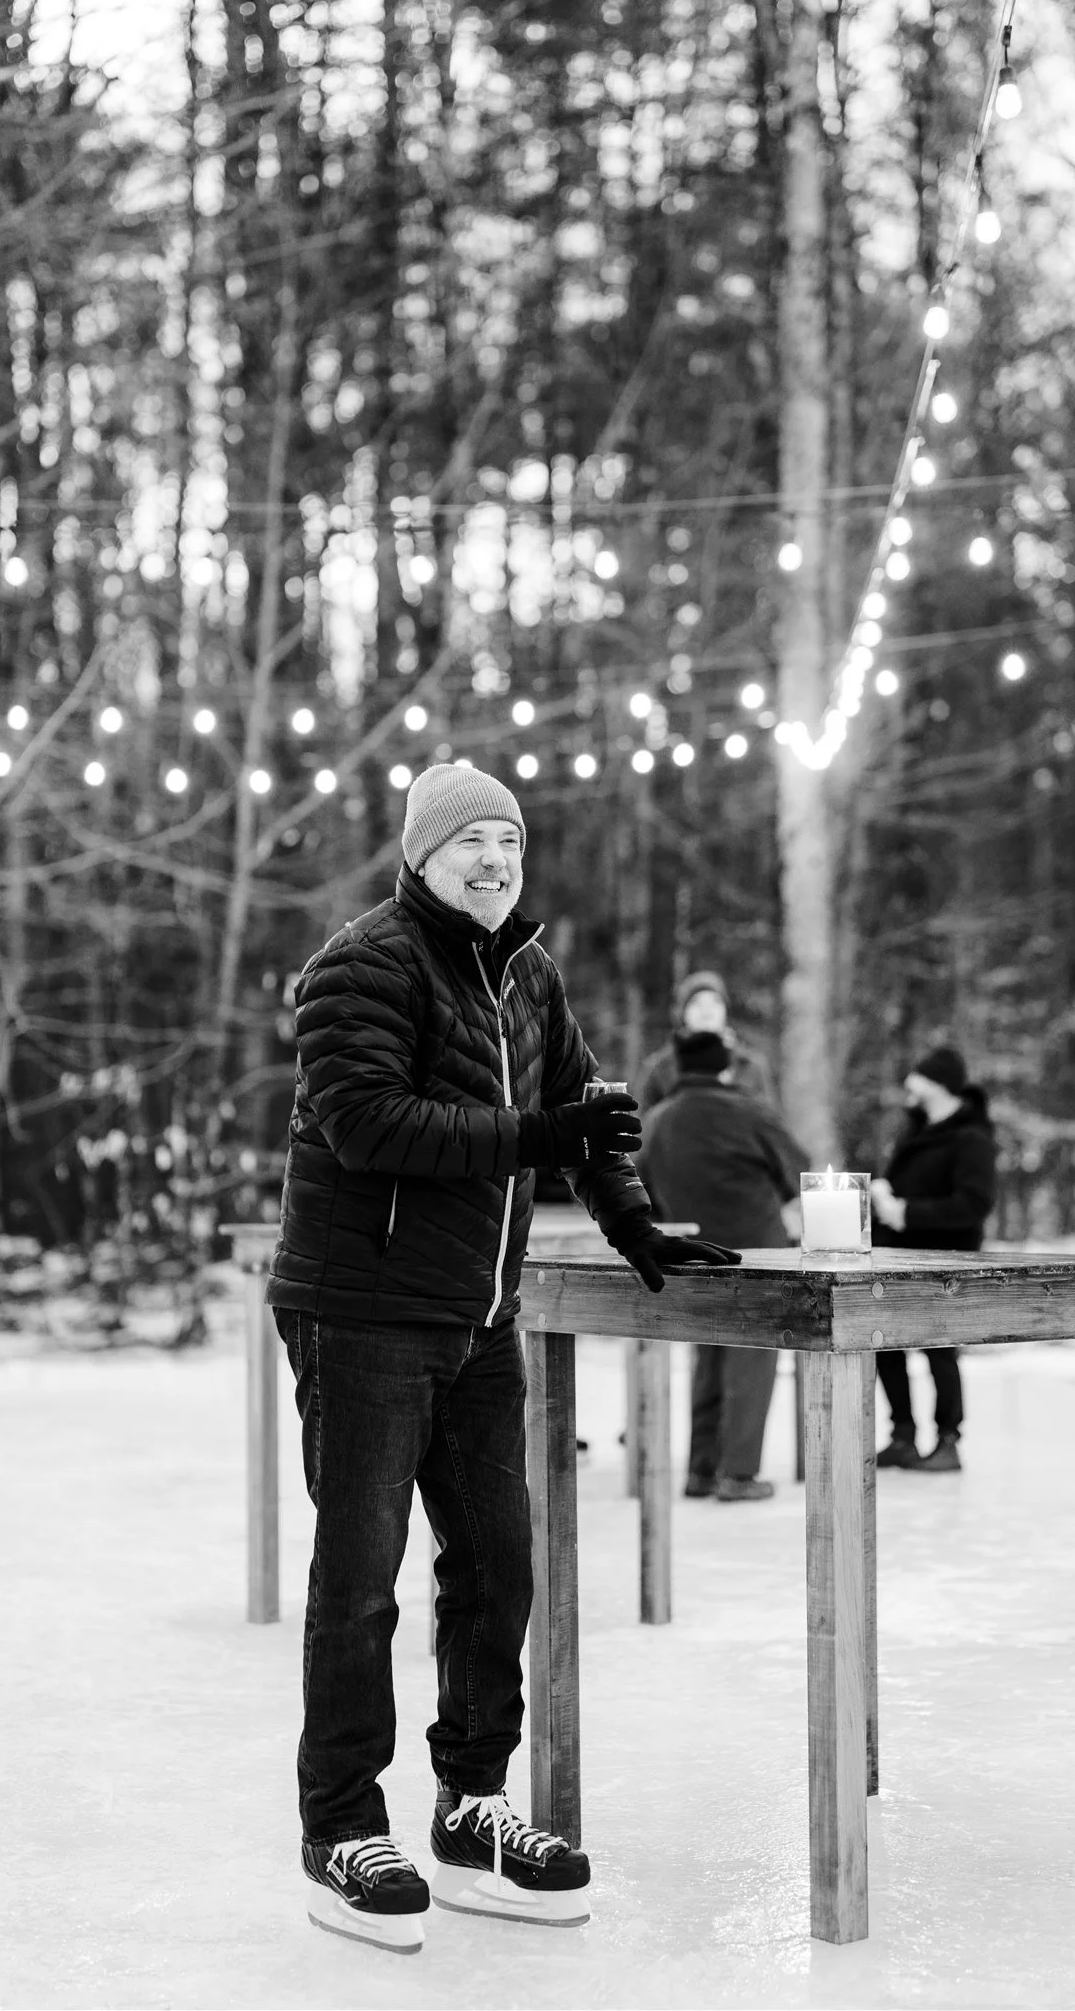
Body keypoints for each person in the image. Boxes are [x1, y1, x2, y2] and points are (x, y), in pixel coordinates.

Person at [265, 763, 738, 1953]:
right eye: (469, 840)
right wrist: (539, 1132)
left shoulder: (527, 972)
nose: (493, 860)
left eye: (509, 841)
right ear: (422, 856)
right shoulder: (359, 965)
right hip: (361, 1312)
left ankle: (471, 1809)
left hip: (478, 1320)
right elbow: (371, 1123)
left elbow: (583, 1109)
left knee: (496, 1566)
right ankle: (340, 1827)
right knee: (360, 1577)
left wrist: (634, 1222)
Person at [638, 1029, 808, 1501]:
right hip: (758, 1253)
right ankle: (738, 1473)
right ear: (727, 1066)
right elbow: (799, 1169)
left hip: (690, 1252)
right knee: (752, 1359)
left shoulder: (657, 1120)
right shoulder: (749, 1112)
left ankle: (701, 1470)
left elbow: (636, 1186)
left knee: (708, 1356)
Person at [870, 1045, 998, 1474]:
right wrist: (885, 1198)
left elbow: (974, 1203)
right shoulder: (916, 1130)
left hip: (945, 1262)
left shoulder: (971, 1137)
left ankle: (948, 1440)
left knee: (939, 1349)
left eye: (918, 1076)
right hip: (895, 1257)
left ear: (940, 1084)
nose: (908, 1084)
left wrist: (906, 1213)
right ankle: (902, 1435)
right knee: (885, 1344)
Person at [636, 968, 774, 1112]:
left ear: (725, 1010)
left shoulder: (750, 1066)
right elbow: (645, 1121)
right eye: (697, 1003)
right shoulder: (659, 1070)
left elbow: (767, 1120)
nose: (706, 1010)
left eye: (715, 1002)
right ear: (683, 1012)